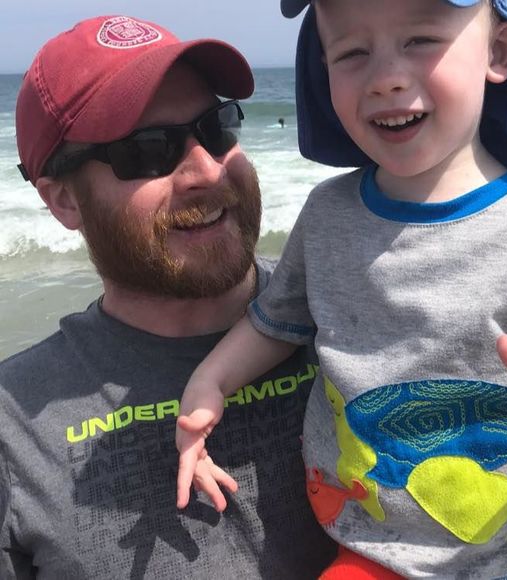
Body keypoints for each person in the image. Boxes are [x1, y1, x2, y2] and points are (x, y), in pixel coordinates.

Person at [177, 1, 507, 578]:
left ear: (499, 52)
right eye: (352, 52)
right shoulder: (327, 215)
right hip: (361, 543)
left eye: (420, 39)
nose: (385, 77)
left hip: (494, 559)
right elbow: (276, 322)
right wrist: (208, 383)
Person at [0, 14, 336, 578]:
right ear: (64, 201)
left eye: (216, 128)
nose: (206, 169)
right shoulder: (15, 426)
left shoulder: (357, 305)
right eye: (148, 150)